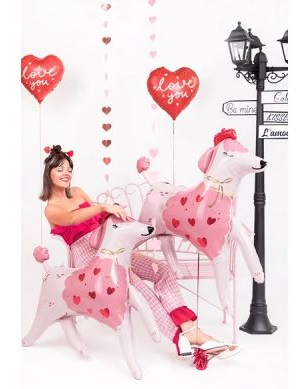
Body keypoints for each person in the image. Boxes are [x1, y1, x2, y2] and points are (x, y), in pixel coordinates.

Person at [37, 145, 228, 356]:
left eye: (69, 169)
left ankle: (187, 326)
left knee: (162, 271)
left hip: (108, 243)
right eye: (60, 169)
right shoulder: (51, 209)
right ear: (49, 173)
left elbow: (96, 217)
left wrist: (112, 212)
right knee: (136, 286)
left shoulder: (78, 192)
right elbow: (73, 218)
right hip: (89, 257)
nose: (66, 173)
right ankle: (183, 337)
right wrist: (102, 207)